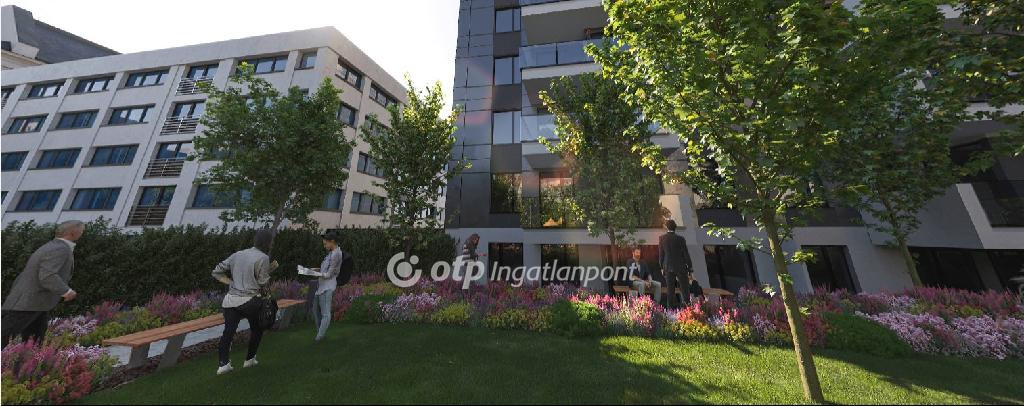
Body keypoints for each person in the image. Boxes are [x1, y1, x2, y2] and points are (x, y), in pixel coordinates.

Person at [2, 221, 85, 346]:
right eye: (82, 231)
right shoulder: (60, 249)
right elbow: (47, 275)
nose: (82, 233)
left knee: (33, 340)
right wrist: (67, 291)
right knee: (6, 334)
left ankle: (29, 357)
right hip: (29, 302)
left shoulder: (51, 246)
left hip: (35, 302)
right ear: (73, 233)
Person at [212, 230, 278, 375]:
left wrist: (231, 283)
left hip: (230, 301)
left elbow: (216, 272)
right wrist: (270, 271)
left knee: (228, 332)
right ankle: (249, 360)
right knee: (257, 329)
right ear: (267, 243)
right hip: (250, 301)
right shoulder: (263, 258)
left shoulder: (237, 254)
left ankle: (223, 365)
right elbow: (263, 283)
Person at [307, 231, 344, 342]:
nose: (324, 246)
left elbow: (329, 275)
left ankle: (319, 337)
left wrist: (314, 274)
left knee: (325, 313)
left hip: (327, 287)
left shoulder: (337, 254)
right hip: (321, 286)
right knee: (315, 309)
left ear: (332, 241)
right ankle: (320, 333)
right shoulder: (331, 254)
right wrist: (314, 270)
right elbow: (325, 270)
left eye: (325, 244)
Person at [659, 219, 693, 309]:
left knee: (670, 290)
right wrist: (690, 267)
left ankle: (670, 309)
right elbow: (686, 254)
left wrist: (661, 267)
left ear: (667, 227)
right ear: (675, 228)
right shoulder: (681, 239)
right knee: (685, 288)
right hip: (680, 266)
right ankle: (687, 308)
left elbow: (661, 255)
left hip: (668, 267)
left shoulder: (662, 238)